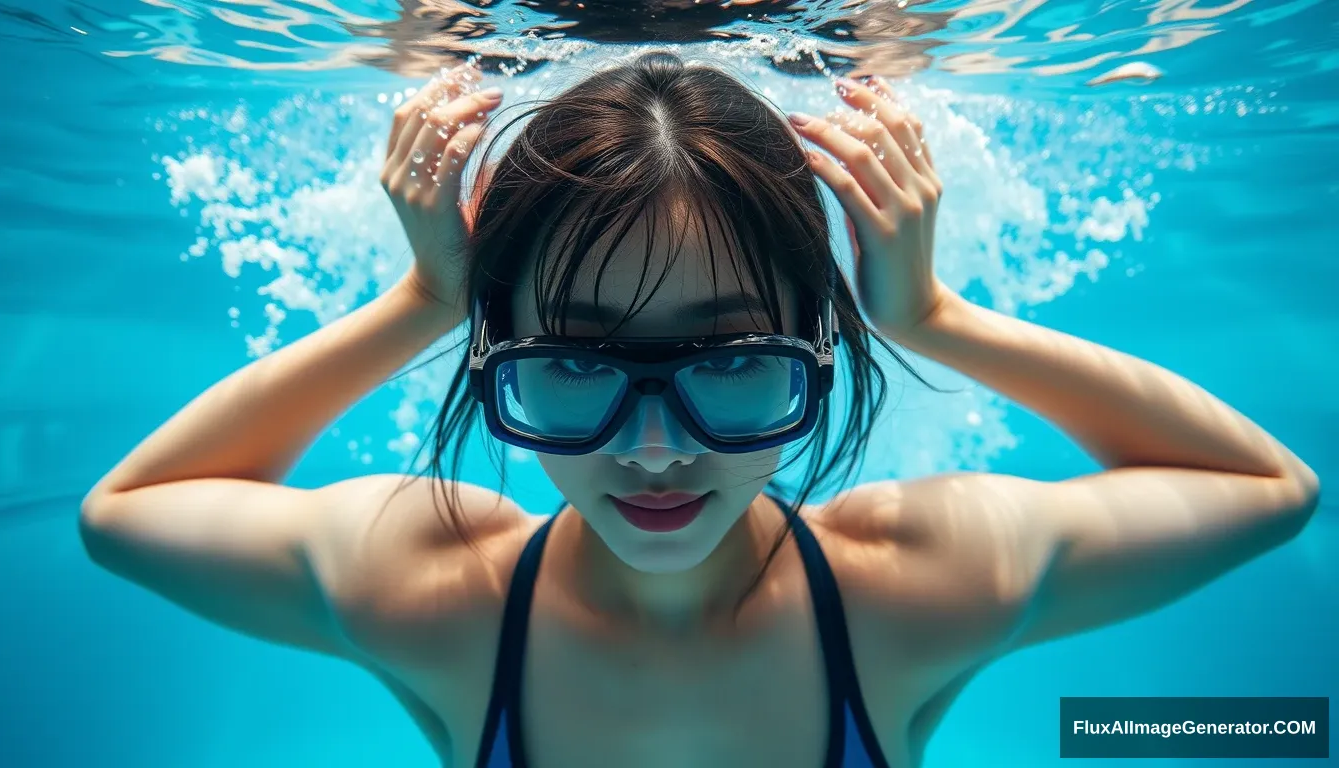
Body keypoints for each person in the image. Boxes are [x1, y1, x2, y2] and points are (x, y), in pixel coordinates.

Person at [79, 52, 1320, 768]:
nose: (653, 448)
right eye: (573, 365)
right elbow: (121, 515)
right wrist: (420, 300)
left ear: (822, 351)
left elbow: (1270, 494)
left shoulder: (904, 581)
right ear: (491, 354)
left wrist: (938, 318)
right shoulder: (440, 590)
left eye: (731, 362)